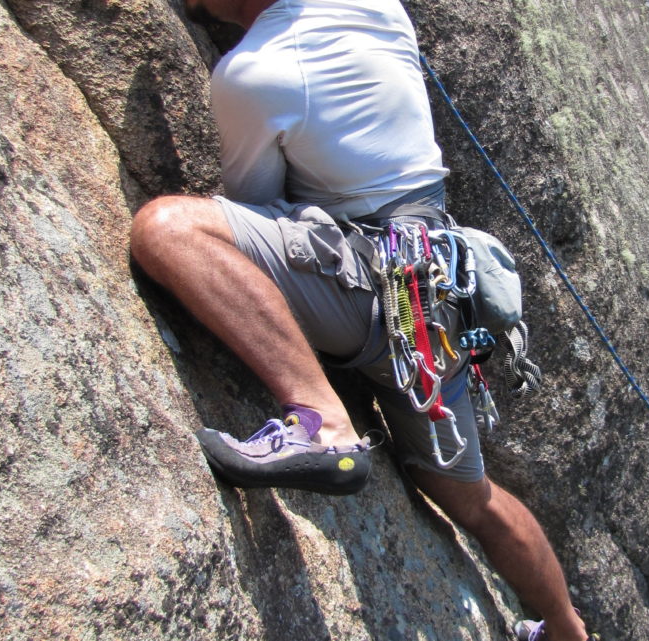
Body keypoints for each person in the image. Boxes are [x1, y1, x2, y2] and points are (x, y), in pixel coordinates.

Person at [129, 0, 591, 638]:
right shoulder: (378, 9)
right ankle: (567, 629)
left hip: (363, 293)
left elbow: (253, 210)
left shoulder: (253, 73)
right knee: (470, 498)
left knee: (170, 229)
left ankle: (322, 426)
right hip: (433, 311)